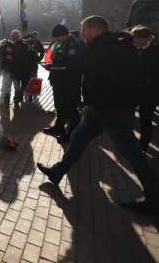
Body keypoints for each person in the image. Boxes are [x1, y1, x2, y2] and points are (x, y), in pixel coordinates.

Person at [37, 16, 159, 215]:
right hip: (98, 108)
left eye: (84, 29)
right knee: (77, 137)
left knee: (132, 153)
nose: (81, 32)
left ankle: (153, 198)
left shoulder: (108, 50)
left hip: (109, 109)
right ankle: (58, 172)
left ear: (95, 30)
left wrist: (99, 102)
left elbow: (118, 82)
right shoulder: (104, 47)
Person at [42, 24, 86, 144]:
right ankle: (59, 127)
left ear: (63, 35)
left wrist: (52, 67)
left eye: (56, 37)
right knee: (60, 106)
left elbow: (73, 66)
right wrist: (52, 68)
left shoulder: (75, 46)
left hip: (69, 83)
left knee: (71, 109)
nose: (55, 40)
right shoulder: (63, 44)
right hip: (59, 83)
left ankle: (72, 134)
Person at [129, 25, 159, 153]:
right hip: (133, 90)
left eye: (136, 38)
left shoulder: (155, 50)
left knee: (145, 119)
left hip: (150, 92)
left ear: (146, 38)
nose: (133, 40)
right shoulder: (132, 50)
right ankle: (127, 141)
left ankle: (143, 145)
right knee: (128, 116)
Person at [0, 30, 34, 107]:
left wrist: (13, 54)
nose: (14, 36)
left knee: (17, 87)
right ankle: (6, 100)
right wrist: (5, 54)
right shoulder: (7, 44)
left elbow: (25, 57)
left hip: (18, 71)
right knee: (6, 86)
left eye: (16, 35)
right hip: (7, 70)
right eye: (13, 35)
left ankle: (17, 101)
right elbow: (1, 56)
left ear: (19, 36)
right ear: (10, 36)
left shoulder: (23, 45)